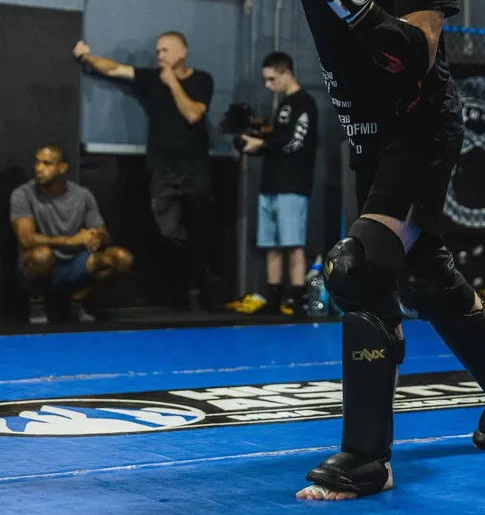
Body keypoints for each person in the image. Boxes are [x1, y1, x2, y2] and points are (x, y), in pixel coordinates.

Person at [30, 0, 485, 499]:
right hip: (365, 132)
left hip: (420, 128)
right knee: (421, 271)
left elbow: (416, 59)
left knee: (358, 270)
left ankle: (365, 459)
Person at [72, 32, 216, 310]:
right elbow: (114, 69)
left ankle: (204, 287)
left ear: (182, 53)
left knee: (202, 230)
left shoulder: (202, 80)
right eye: (157, 51)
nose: (159, 56)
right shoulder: (151, 78)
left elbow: (193, 114)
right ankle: (181, 287)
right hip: (163, 171)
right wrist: (86, 57)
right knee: (168, 232)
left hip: (195, 170)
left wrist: (173, 83)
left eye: (164, 51)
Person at [10, 143, 133, 324]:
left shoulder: (83, 195)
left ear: (62, 168)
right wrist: (73, 240)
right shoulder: (22, 194)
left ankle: (77, 302)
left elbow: (103, 232)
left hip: (76, 265)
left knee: (122, 258)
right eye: (37, 162)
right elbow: (26, 238)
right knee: (41, 255)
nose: (39, 168)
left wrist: (96, 238)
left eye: (47, 163)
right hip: (42, 266)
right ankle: (37, 305)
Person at [240, 51, 318, 319]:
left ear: (287, 73)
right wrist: (256, 145)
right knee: (271, 244)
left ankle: (297, 299)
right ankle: (273, 298)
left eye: (272, 79)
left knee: (293, 244)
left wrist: (262, 144)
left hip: (292, 185)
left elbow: (296, 141)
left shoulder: (304, 102)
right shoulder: (282, 105)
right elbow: (276, 141)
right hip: (271, 184)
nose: (268, 85)